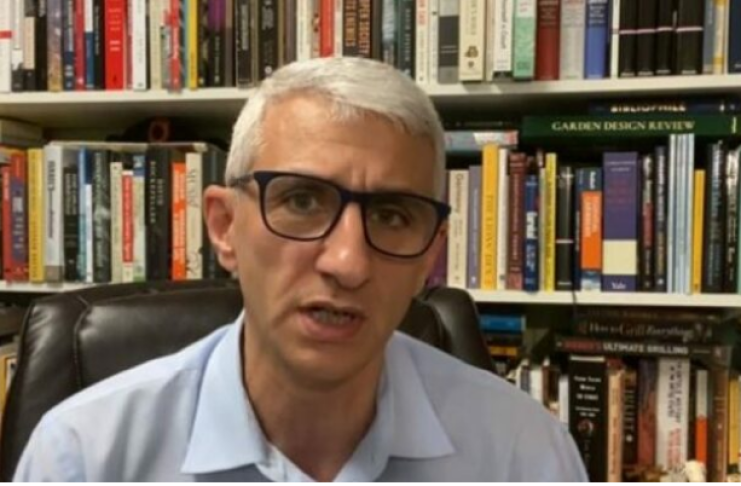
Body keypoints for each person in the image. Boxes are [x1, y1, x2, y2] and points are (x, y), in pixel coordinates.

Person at [14, 57, 587, 482]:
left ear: (430, 257)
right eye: (303, 201)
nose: (348, 263)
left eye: (392, 215)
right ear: (224, 227)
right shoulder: (85, 457)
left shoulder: (523, 454)